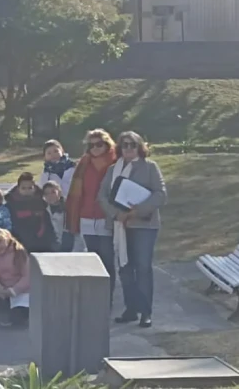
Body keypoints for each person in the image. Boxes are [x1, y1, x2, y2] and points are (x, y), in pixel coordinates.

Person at [99, 131, 168, 328]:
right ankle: (131, 309)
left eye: (132, 144)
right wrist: (116, 214)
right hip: (120, 225)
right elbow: (102, 196)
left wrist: (136, 211)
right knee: (125, 268)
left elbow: (160, 195)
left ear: (140, 146)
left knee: (143, 268)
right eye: (124, 145)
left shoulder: (150, 167)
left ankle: (146, 312)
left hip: (144, 225)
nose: (128, 148)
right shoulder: (113, 170)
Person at [65, 129, 117, 299]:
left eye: (99, 144)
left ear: (107, 144)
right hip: (86, 216)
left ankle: (108, 297)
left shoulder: (115, 162)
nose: (95, 148)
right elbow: (77, 192)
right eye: (91, 145)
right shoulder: (83, 164)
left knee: (108, 259)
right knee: (94, 259)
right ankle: (97, 297)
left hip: (106, 216)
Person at [0, 228, 31, 327]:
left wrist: (13, 290)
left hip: (24, 292)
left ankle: (23, 314)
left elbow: (27, 277)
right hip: (6, 293)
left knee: (18, 317)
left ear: (8, 238)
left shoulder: (20, 254)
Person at [6, 173, 56, 253]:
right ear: (18, 188)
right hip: (17, 246)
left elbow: (48, 226)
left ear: (35, 188)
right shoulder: (10, 205)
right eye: (23, 188)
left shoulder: (42, 204)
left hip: (41, 245)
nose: (27, 191)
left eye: (30, 188)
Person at [42, 182, 69, 253]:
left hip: (68, 246)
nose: (50, 196)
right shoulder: (43, 210)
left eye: (53, 192)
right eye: (46, 194)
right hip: (50, 247)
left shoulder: (69, 208)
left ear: (59, 192)